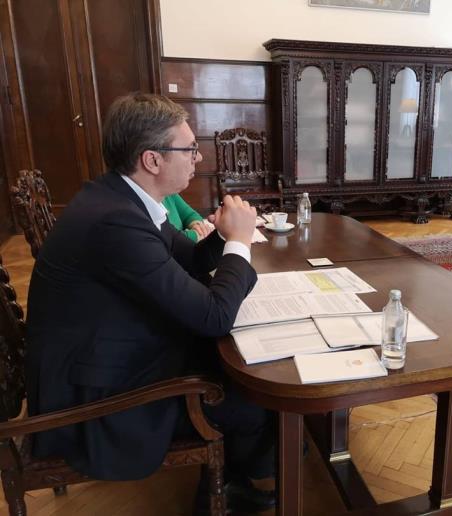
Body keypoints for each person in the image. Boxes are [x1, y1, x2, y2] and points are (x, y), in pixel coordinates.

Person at [25, 93, 275, 514]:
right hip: (94, 399)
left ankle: (232, 479)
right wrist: (239, 242)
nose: (198, 158)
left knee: (237, 364)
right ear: (152, 160)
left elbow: (190, 260)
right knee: (252, 396)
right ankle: (227, 492)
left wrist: (220, 235)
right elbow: (214, 316)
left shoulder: (124, 199)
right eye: (189, 149)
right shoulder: (116, 221)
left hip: (106, 353)